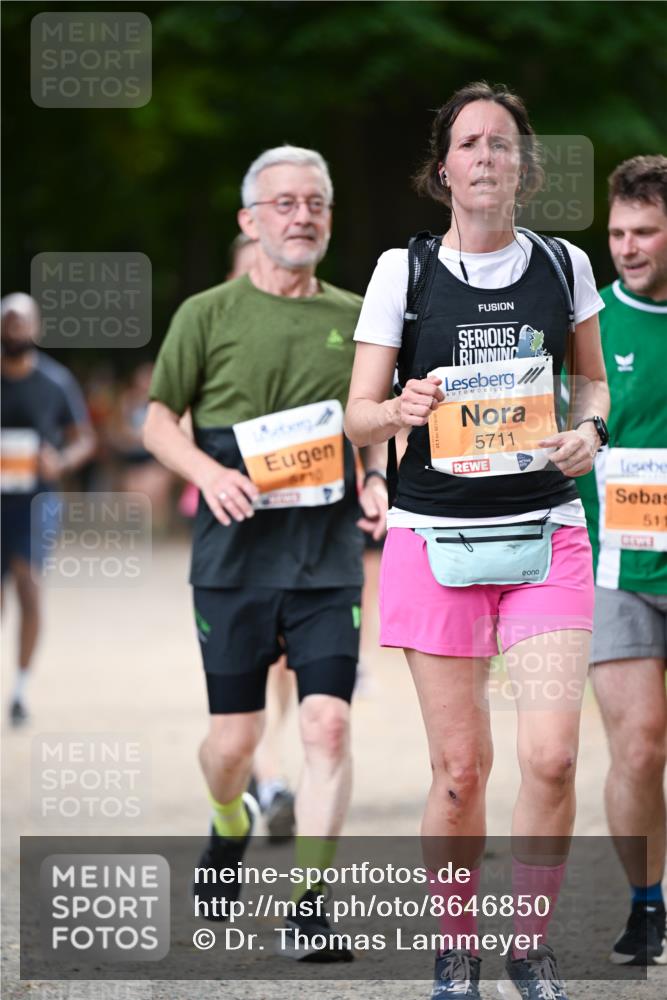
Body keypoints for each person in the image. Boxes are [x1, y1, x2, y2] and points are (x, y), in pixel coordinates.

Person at [344, 82, 609, 999]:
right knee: (460, 773)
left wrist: (592, 434)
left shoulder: (565, 266)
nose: (486, 157)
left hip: (545, 532)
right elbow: (356, 414)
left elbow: (591, 388)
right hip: (432, 539)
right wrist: (398, 407)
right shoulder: (400, 272)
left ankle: (526, 945)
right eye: (469, 143)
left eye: (502, 144)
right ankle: (453, 945)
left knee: (552, 756)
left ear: (522, 167)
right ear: (443, 168)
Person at [143, 145, 387, 959]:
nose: (302, 216)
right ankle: (226, 821)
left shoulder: (358, 318)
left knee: (325, 728)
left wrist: (378, 478)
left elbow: (374, 423)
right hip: (233, 560)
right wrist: (208, 472)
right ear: (251, 221)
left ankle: (309, 906)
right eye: (283, 204)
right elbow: (154, 421)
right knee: (235, 744)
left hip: (324, 559)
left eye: (314, 202)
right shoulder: (205, 314)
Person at [577, 155, 667, 966]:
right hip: (619, 567)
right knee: (639, 747)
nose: (627, 248)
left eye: (644, 232)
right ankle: (647, 903)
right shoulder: (589, 323)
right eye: (617, 233)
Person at [1, 293, 95, 724]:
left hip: (36, 503)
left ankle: (20, 688)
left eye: (23, 323)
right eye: (9, 322)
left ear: (36, 329)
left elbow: (84, 439)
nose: (16, 330)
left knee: (29, 587)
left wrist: (62, 461)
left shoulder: (55, 382)